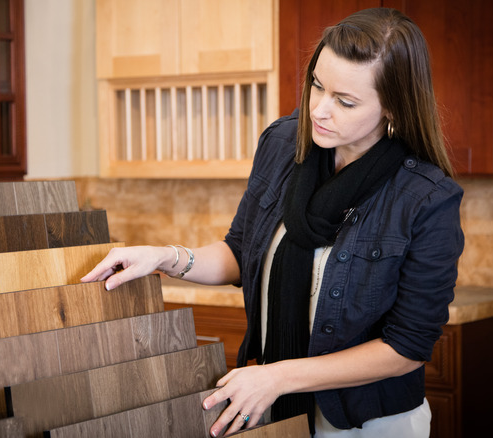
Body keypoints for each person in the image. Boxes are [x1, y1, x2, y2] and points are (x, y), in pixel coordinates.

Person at [81, 7, 464, 437]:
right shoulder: (284, 143)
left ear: (393, 108)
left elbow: (406, 348)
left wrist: (278, 376)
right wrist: (165, 257)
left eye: (345, 101)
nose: (319, 110)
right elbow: (241, 254)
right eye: (317, 85)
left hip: (368, 425)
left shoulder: (427, 198)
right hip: (273, 415)